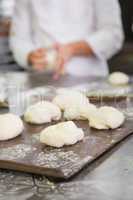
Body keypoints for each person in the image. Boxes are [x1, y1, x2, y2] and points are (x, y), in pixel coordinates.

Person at [10, 0, 124, 78]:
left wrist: (73, 48)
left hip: (89, 79)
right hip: (40, 83)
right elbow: (19, 39)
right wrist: (30, 56)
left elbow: (113, 34)